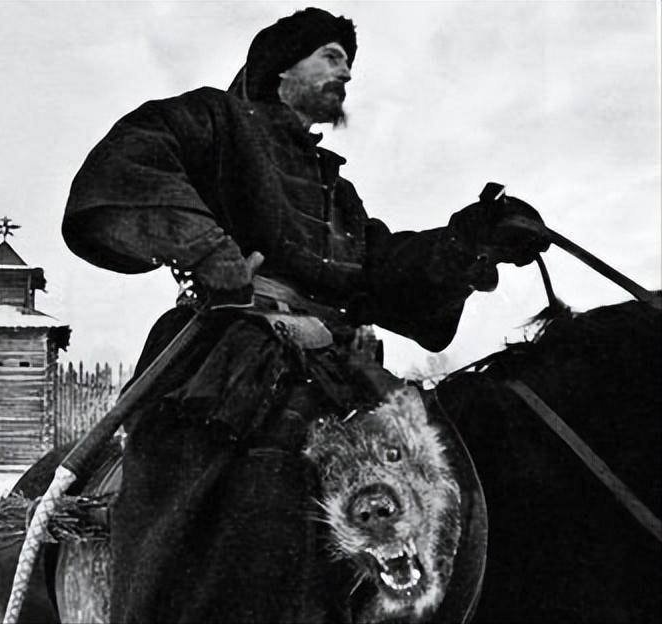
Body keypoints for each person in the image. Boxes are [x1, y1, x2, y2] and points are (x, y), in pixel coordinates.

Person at [62, 8, 548, 622]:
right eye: (331, 56)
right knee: (226, 478)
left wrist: (468, 242)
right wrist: (208, 249)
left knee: (443, 472)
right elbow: (132, 160)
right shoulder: (216, 120)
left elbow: (381, 270)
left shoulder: (337, 192)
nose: (346, 72)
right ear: (281, 67)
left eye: (348, 61)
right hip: (231, 353)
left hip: (333, 364)